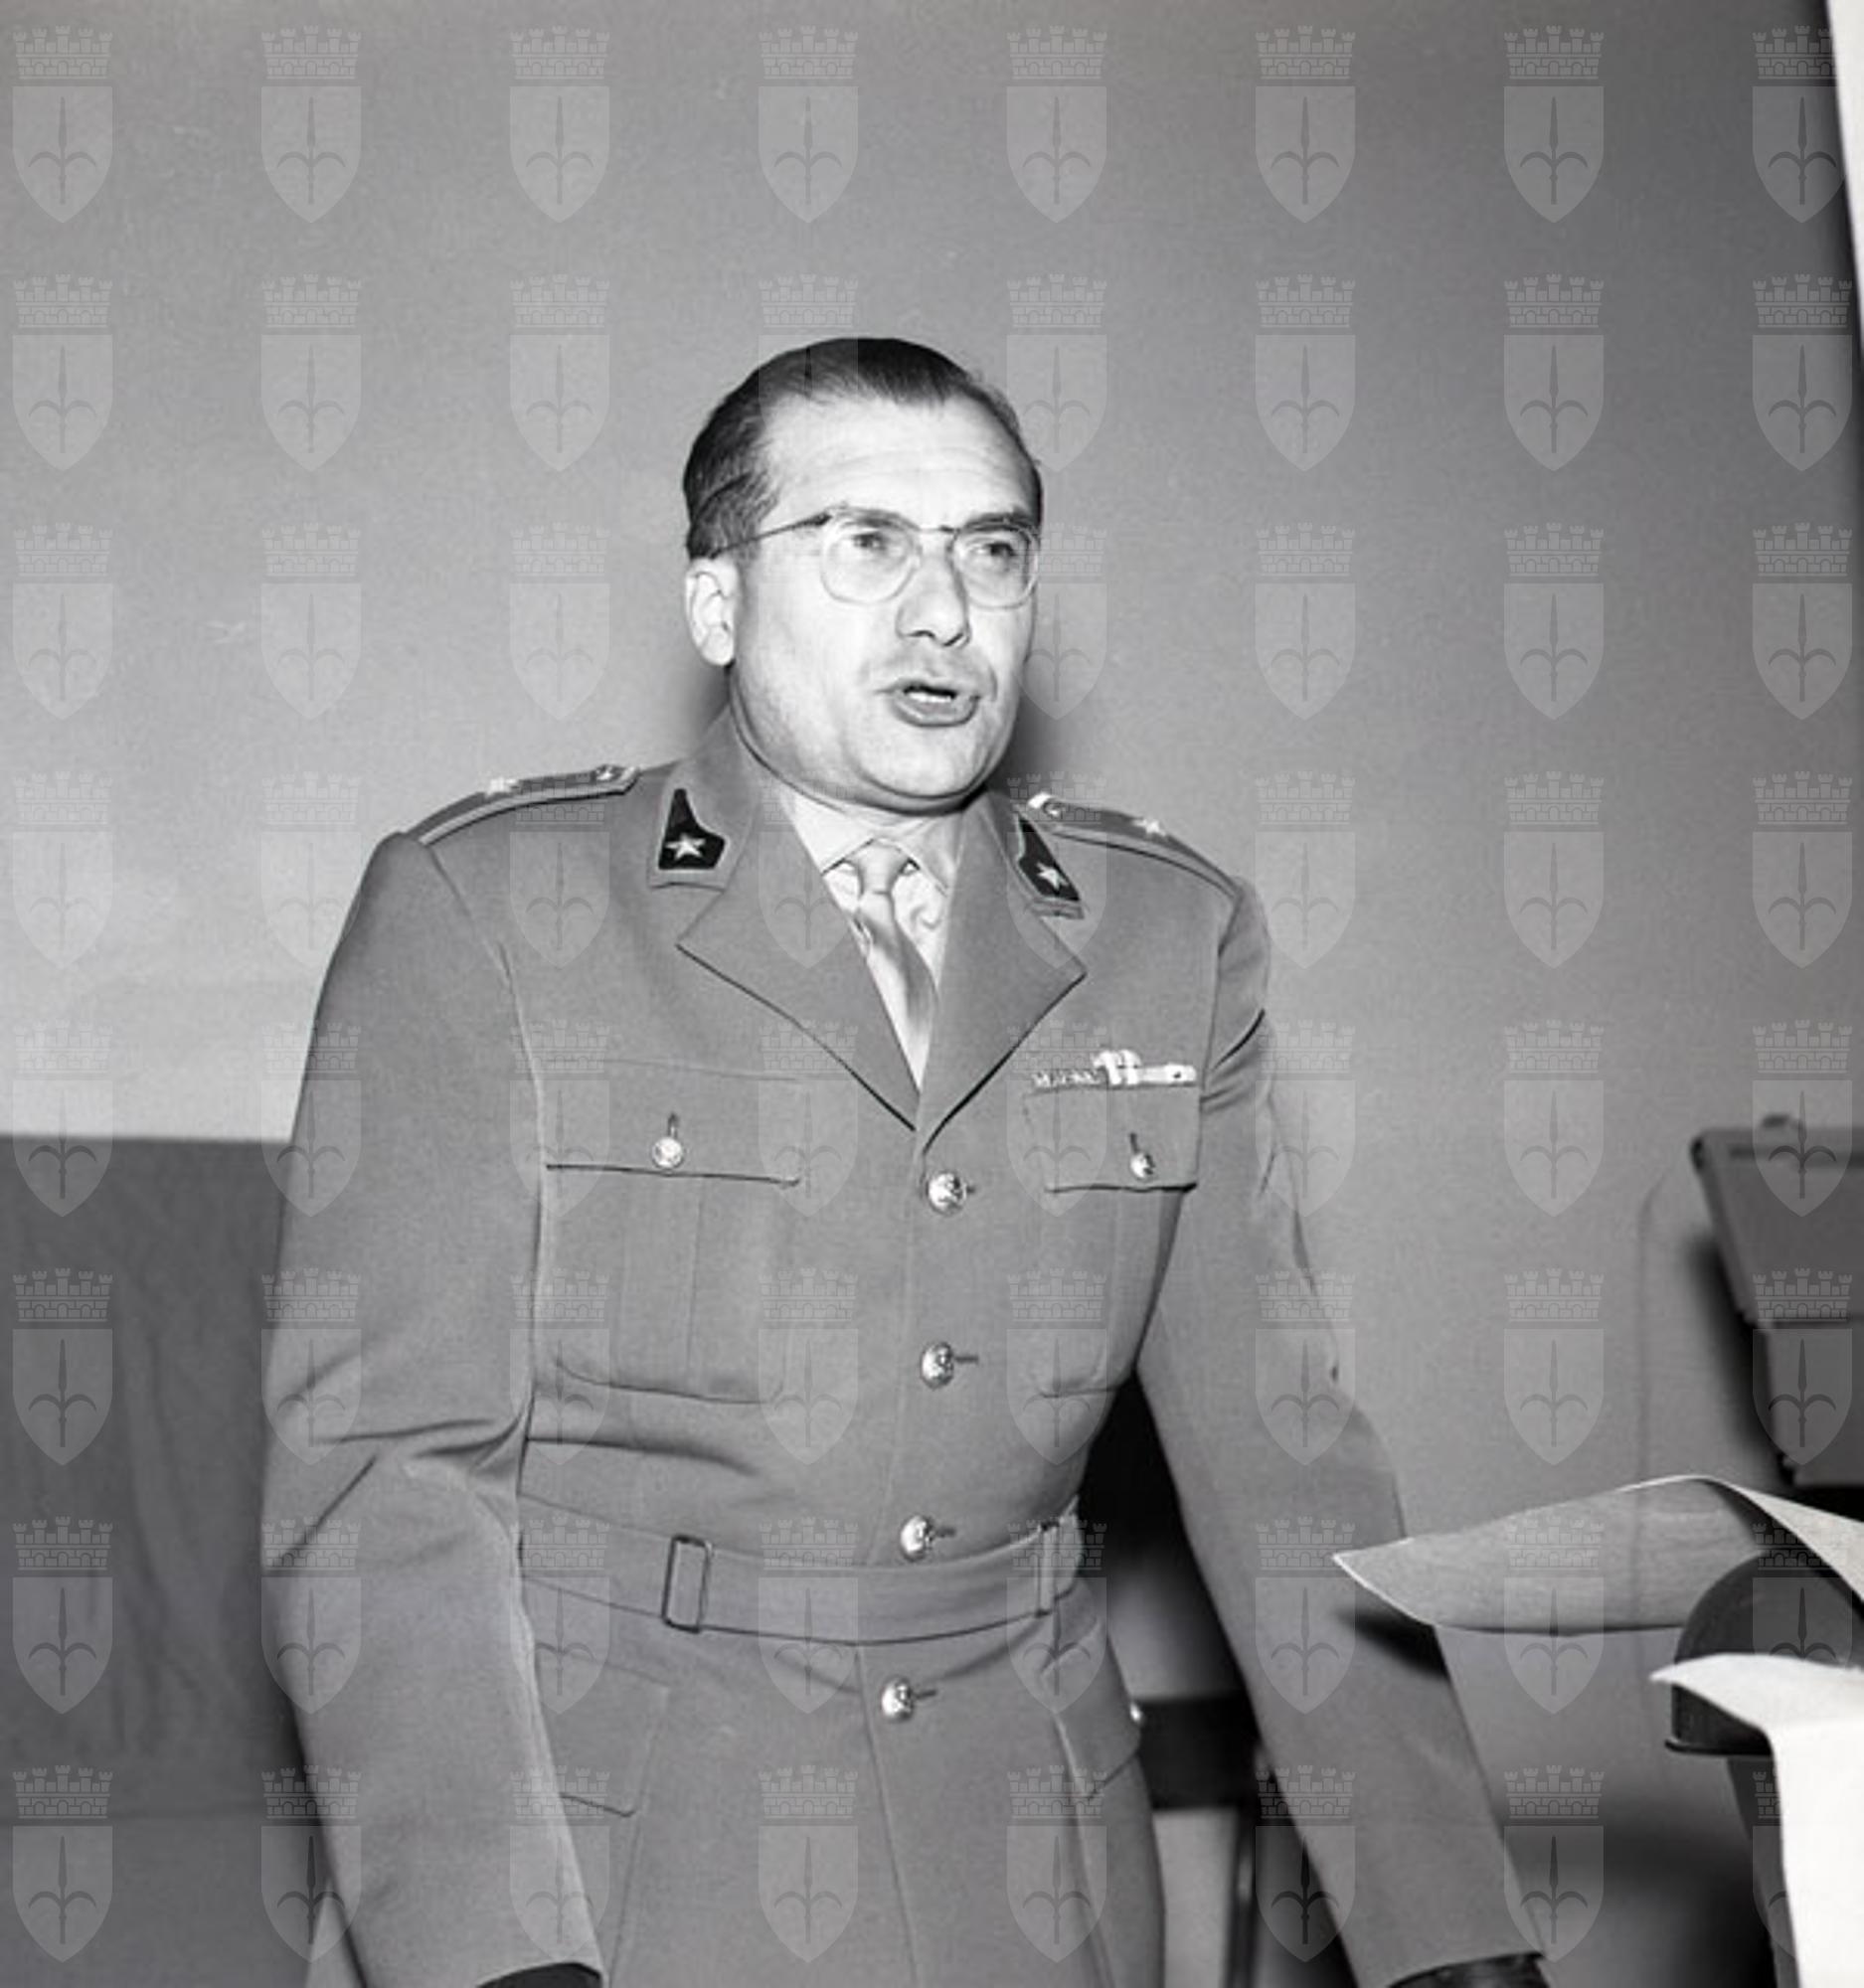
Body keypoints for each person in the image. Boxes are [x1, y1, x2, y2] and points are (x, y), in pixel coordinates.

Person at [262, 338, 1551, 1988]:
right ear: (717, 600)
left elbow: (1281, 1469)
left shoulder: (1166, 939)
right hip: (607, 1872)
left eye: (991, 550)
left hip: (1034, 1867)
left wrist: (1449, 1938)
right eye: (866, 541)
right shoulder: (494, 913)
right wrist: (492, 1956)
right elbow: (385, 1495)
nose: (944, 610)